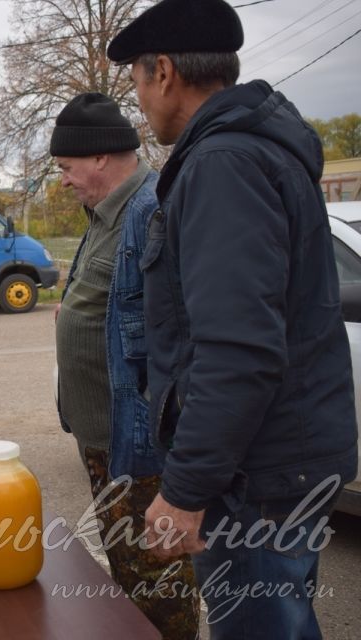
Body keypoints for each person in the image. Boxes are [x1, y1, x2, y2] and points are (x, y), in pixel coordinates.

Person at [107, 0, 358, 637]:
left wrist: (187, 489)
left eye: (136, 81)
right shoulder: (250, 152)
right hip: (274, 464)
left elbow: (237, 349)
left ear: (163, 72)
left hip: (255, 478)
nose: (139, 102)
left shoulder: (224, 165)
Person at [52, 92, 199, 639]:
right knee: (129, 581)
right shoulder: (104, 213)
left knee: (159, 586)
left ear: (99, 158)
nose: (63, 179)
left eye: (67, 167)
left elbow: (181, 334)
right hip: (103, 441)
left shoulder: (151, 210)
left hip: (138, 445)